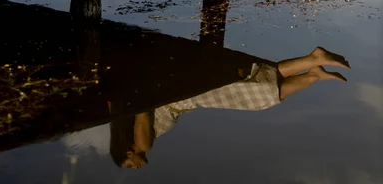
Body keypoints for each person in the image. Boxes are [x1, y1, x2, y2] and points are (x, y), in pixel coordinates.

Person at [109, 46, 350, 170]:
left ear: (128, 152)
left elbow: (144, 107)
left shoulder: (142, 145)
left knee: (258, 97)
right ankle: (314, 65)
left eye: (130, 165)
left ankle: (314, 70)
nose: (136, 168)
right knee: (256, 82)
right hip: (187, 93)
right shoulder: (130, 128)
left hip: (192, 94)